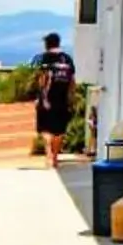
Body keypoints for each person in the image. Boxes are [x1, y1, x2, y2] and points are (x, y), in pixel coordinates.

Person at [31, 31, 77, 159]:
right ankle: (55, 156)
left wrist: (39, 98)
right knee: (59, 130)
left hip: (47, 100)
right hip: (63, 99)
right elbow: (72, 81)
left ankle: (49, 154)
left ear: (47, 44)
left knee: (45, 129)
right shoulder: (67, 59)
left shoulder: (44, 58)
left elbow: (41, 79)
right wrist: (71, 98)